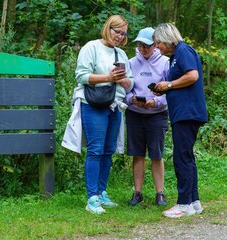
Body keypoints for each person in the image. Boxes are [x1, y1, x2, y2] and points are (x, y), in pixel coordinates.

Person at [69, 15, 133, 214]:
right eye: (117, 32)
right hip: (94, 103)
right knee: (96, 149)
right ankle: (92, 198)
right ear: (108, 28)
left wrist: (122, 80)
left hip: (115, 105)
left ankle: (102, 192)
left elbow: (130, 84)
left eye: (123, 34)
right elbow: (81, 76)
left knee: (108, 150)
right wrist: (108, 77)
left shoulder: (121, 54)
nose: (120, 37)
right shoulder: (92, 47)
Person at [153, 23, 208, 218]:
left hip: (188, 112)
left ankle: (183, 203)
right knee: (187, 157)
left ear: (167, 38)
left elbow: (192, 75)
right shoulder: (175, 56)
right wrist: (165, 88)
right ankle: (194, 202)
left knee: (181, 157)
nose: (157, 47)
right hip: (184, 113)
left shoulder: (183, 50)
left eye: (158, 42)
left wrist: (168, 84)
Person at [125, 27, 170, 206]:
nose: (144, 49)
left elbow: (170, 90)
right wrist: (132, 100)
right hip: (135, 114)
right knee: (137, 154)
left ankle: (160, 193)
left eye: (147, 45)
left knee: (156, 154)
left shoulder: (165, 62)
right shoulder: (130, 62)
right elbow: (125, 89)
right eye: (140, 45)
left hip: (157, 115)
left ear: (155, 45)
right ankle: (138, 192)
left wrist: (156, 102)